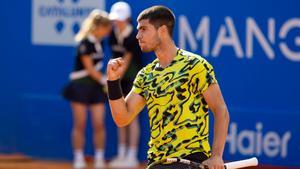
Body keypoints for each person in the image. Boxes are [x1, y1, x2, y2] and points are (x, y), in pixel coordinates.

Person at [106, 5, 230, 169]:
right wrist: (113, 81)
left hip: (191, 161)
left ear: (162, 30)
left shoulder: (195, 66)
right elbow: (122, 118)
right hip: (157, 163)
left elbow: (220, 110)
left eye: (143, 29)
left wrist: (216, 156)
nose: (138, 36)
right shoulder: (146, 74)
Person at [62, 9, 112, 169]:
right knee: (80, 124)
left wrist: (103, 81)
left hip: (96, 88)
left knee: (99, 124)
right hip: (80, 87)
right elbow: (90, 68)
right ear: (98, 27)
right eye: (106, 27)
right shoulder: (84, 43)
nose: (109, 30)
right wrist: (106, 81)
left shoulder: (101, 42)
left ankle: (99, 158)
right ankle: (78, 158)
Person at [107, 2, 143, 168]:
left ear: (127, 19)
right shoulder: (112, 34)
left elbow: (126, 61)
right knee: (119, 115)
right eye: (115, 19)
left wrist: (113, 80)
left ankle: (132, 156)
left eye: (120, 19)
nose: (117, 22)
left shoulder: (134, 37)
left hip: (133, 79)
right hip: (119, 78)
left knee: (132, 117)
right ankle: (121, 155)